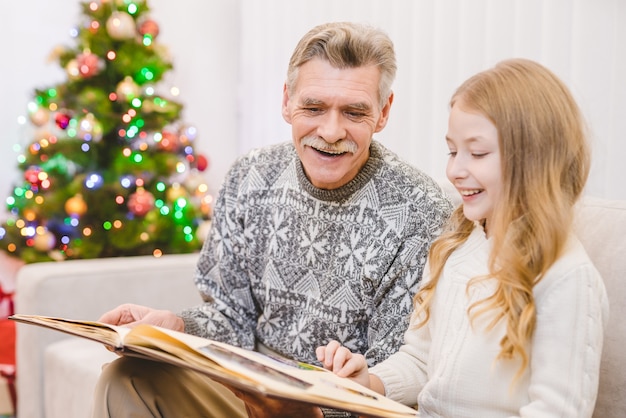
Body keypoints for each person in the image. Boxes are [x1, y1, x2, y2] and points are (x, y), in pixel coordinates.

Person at [91, 21, 453, 418]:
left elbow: (393, 373)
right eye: (313, 108)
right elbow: (230, 315)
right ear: (286, 102)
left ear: (383, 113)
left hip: (330, 408)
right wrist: (177, 326)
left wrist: (308, 409)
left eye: (353, 112)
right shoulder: (251, 176)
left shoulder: (419, 209)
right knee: (124, 377)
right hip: (245, 391)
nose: (330, 132)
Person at [317, 58, 609, 417]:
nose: (455, 170)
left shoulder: (566, 277)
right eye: (452, 151)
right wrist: (367, 383)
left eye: (478, 153)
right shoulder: (457, 244)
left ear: (534, 159)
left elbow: (557, 411)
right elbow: (421, 361)